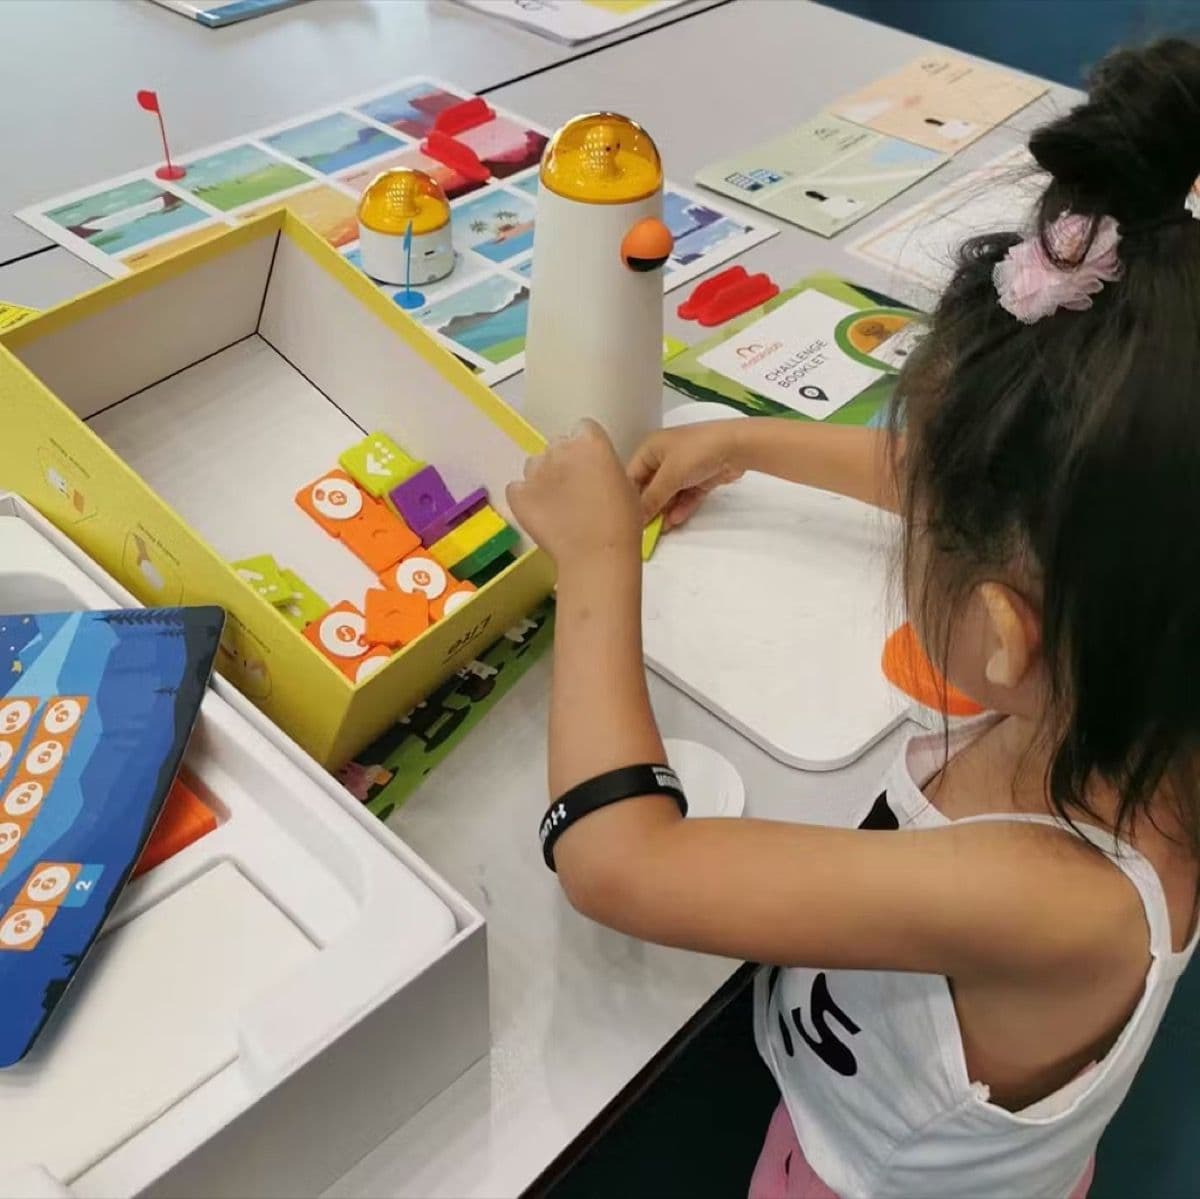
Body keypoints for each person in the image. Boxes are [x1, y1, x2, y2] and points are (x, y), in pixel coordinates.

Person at [506, 39, 1200, 1199]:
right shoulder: (1151, 669)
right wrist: (747, 438)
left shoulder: (1049, 893)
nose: (917, 502)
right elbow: (1023, 506)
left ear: (1002, 634)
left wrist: (595, 566)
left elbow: (619, 862)